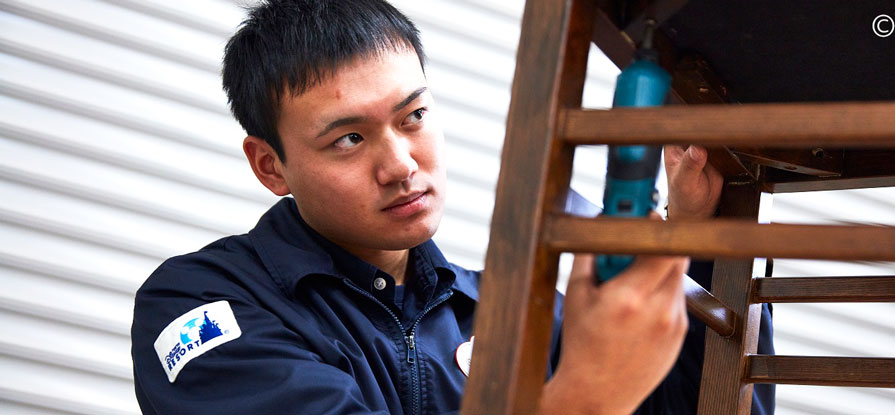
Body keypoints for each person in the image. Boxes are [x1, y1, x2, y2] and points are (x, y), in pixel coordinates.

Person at [130, 0, 773, 414]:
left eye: (413, 117)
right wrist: (588, 394)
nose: (401, 165)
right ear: (270, 165)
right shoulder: (201, 309)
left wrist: (699, 237)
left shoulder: (516, 311)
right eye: (349, 139)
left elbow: (713, 404)